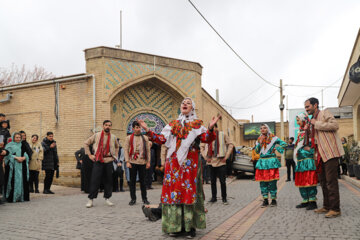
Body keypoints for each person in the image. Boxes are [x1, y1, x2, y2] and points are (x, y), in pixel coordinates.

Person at [138, 97, 219, 238]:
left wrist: (211, 128)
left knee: (188, 192)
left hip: (190, 163)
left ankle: (190, 228)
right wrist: (148, 130)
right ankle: (175, 227)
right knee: (174, 193)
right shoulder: (172, 124)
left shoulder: (197, 123)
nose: (184, 104)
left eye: (188, 103)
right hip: (173, 164)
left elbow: (206, 138)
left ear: (192, 108)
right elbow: (161, 139)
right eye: (183, 103)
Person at [304, 97, 344, 218]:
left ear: (315, 105)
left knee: (331, 181)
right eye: (305, 107)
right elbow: (316, 138)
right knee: (323, 181)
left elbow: (335, 125)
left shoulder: (324, 113)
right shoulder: (312, 119)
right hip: (319, 155)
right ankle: (327, 206)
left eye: (308, 107)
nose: (306, 109)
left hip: (330, 152)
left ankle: (335, 209)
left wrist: (316, 123)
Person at [84, 120, 120, 208]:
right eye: (106, 125)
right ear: (103, 126)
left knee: (108, 180)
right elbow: (86, 143)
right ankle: (91, 199)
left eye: (109, 125)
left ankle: (107, 198)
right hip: (98, 160)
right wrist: (89, 155)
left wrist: (114, 156)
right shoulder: (97, 135)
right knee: (95, 180)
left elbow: (117, 147)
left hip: (108, 160)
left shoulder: (113, 137)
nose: (108, 127)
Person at [255, 124, 287, 208]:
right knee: (263, 182)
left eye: (264, 128)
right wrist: (260, 143)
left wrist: (276, 148)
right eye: (261, 128)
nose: (262, 129)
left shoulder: (274, 138)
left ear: (268, 129)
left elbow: (284, 144)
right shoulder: (258, 139)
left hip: (271, 161)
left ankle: (273, 199)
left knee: (272, 181)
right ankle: (265, 200)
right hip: (262, 162)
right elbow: (257, 151)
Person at [202, 123, 234, 205]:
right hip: (210, 161)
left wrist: (226, 156)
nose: (211, 129)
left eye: (213, 127)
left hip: (221, 161)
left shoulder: (222, 134)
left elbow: (231, 144)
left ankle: (224, 198)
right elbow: (201, 146)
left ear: (216, 127)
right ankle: (214, 198)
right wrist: (205, 157)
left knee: (222, 181)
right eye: (210, 127)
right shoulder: (206, 135)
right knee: (212, 180)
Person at [293, 113, 318, 210]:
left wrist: (310, 149)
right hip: (300, 160)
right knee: (302, 180)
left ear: (303, 120)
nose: (297, 122)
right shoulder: (300, 131)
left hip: (307, 160)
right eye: (297, 120)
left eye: (298, 120)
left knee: (309, 179)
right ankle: (305, 200)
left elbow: (314, 142)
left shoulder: (310, 130)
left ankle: (312, 201)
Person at [124, 121, 151, 205]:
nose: (138, 129)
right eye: (136, 127)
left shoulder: (145, 138)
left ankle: (144, 199)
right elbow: (126, 150)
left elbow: (148, 150)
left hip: (142, 162)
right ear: (133, 128)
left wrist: (148, 162)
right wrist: (127, 161)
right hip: (132, 162)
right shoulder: (128, 138)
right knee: (132, 182)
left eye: (139, 127)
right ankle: (133, 199)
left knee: (143, 182)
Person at [4, 132, 30, 202]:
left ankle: (21, 197)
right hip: (13, 167)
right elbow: (7, 156)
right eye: (17, 137)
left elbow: (27, 154)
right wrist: (16, 157)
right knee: (12, 181)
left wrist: (24, 158)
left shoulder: (23, 145)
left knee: (23, 181)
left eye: (19, 137)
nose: (18, 139)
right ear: (13, 138)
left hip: (22, 165)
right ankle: (12, 197)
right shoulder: (9, 145)